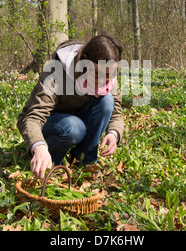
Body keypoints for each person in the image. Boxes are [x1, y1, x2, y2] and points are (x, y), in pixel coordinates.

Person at [17, 35, 124, 179]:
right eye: (98, 73)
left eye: (110, 74)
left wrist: (113, 133)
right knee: (73, 127)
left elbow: (116, 112)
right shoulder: (57, 71)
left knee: (107, 102)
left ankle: (84, 162)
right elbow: (33, 117)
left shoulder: (108, 73)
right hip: (51, 124)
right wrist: (38, 146)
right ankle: (49, 161)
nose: (104, 80)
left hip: (77, 120)